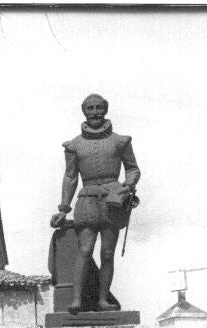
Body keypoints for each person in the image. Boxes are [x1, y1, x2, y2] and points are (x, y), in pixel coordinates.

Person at [49, 93, 140, 315]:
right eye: (90, 108)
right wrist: (63, 208)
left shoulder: (120, 141)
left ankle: (102, 300)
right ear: (84, 111)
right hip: (87, 200)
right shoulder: (74, 146)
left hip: (113, 200)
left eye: (99, 107)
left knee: (107, 253)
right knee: (85, 250)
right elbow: (70, 177)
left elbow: (132, 168)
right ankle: (77, 299)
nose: (95, 112)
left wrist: (128, 184)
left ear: (106, 109)